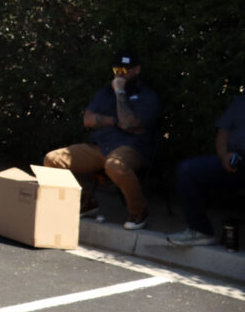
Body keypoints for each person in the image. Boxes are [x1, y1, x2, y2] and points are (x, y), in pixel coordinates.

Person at [43, 51, 161, 230]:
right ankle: (86, 201)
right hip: (101, 146)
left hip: (131, 147)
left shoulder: (147, 96)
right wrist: (113, 121)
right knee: (53, 159)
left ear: (136, 70)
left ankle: (139, 210)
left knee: (114, 165)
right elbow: (88, 120)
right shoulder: (105, 91)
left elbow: (129, 123)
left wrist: (120, 92)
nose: (119, 73)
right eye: (116, 69)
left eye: (124, 69)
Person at [167, 97, 245, 246]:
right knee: (187, 170)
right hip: (234, 158)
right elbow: (223, 131)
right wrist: (223, 155)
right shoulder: (241, 101)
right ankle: (200, 231)